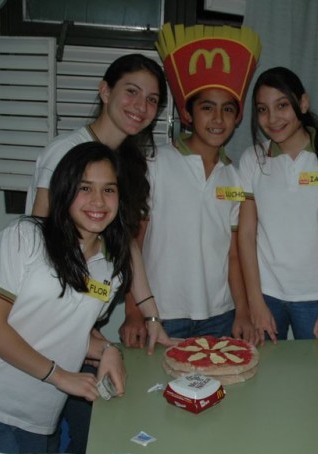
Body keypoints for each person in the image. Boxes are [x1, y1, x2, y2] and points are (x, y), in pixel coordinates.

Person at [0, 142, 170, 454]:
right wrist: (60, 376)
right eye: (85, 188)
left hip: (38, 415)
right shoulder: (25, 237)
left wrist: (108, 350)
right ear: (65, 190)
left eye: (109, 189)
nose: (98, 201)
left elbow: (68, 331)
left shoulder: (111, 267)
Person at [119, 23, 262, 345]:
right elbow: (133, 242)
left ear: (238, 117)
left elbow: (234, 254)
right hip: (161, 312)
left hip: (220, 313)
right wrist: (133, 311)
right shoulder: (154, 163)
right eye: (207, 108)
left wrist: (242, 311)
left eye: (227, 110)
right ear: (187, 114)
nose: (218, 119)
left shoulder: (235, 176)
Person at [237, 67, 318, 349]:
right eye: (263, 109)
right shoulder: (253, 159)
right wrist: (255, 302)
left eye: (282, 106)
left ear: (303, 103)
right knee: (260, 371)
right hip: (266, 293)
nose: (272, 118)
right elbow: (246, 234)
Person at [25, 53, 167, 217]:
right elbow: (41, 224)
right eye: (132, 91)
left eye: (152, 99)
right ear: (105, 91)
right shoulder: (65, 151)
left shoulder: (129, 161)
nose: (142, 106)